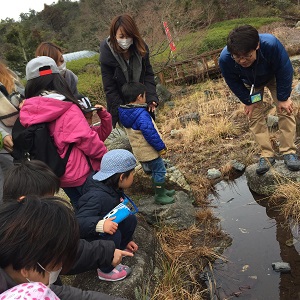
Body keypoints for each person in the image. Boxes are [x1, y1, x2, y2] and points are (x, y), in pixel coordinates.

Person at [2, 160, 133, 285]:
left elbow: (69, 250)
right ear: (24, 201)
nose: (53, 205)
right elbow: (66, 251)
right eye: (48, 201)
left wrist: (106, 253)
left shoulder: (35, 225)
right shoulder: (15, 245)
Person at [20, 56, 111, 209]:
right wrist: (105, 157)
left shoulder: (28, 110)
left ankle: (82, 229)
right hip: (81, 173)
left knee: (79, 206)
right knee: (100, 207)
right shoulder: (67, 108)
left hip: (56, 173)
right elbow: (87, 140)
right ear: (58, 80)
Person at [0, 195, 126, 300]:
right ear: (27, 267)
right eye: (56, 265)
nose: (60, 268)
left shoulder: (26, 273)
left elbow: (60, 294)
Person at [219, 24, 300, 175]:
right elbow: (232, 82)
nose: (242, 61)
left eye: (247, 56)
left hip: (274, 77)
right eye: (238, 58)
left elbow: (285, 69)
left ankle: (288, 151)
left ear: (257, 46)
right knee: (254, 116)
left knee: (285, 110)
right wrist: (247, 101)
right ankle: (267, 155)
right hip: (252, 84)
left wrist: (283, 98)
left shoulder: (271, 44)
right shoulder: (225, 59)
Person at [76, 149, 138, 281]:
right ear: (121, 177)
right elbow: (78, 223)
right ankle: (106, 269)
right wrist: (100, 225)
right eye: (132, 173)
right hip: (93, 236)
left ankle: (121, 246)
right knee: (114, 233)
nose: (134, 176)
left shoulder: (112, 187)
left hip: (107, 225)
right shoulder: (95, 196)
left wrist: (127, 239)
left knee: (130, 219)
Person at [119, 82, 175, 205]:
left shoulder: (125, 112)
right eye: (145, 95)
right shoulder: (141, 115)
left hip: (140, 151)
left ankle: (161, 190)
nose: (146, 98)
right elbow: (150, 133)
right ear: (139, 97)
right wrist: (161, 148)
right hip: (150, 151)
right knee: (159, 170)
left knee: (153, 170)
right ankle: (160, 195)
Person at [99, 14, 159, 128]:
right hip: (121, 109)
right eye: (121, 37)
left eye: (128, 36)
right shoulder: (107, 56)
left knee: (149, 137)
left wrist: (151, 97)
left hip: (142, 103)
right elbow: (110, 88)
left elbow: (148, 75)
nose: (125, 40)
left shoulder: (141, 49)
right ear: (114, 36)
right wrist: (123, 111)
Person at [0, 60, 25, 201]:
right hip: (4, 146)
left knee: (26, 185)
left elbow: (25, 96)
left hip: (21, 136)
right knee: (7, 190)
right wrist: (2, 135)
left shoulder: (10, 75)